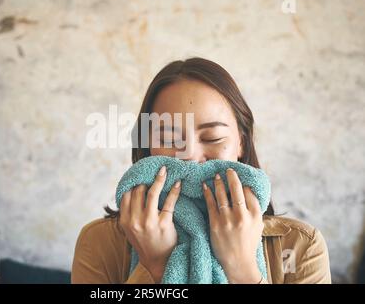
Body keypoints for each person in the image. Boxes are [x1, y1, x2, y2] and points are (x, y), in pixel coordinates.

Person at [71, 57, 331, 284]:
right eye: (170, 139)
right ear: (146, 144)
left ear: (241, 142)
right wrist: (154, 266)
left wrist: (242, 269)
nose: (191, 157)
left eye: (213, 138)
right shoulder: (100, 242)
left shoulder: (301, 246)